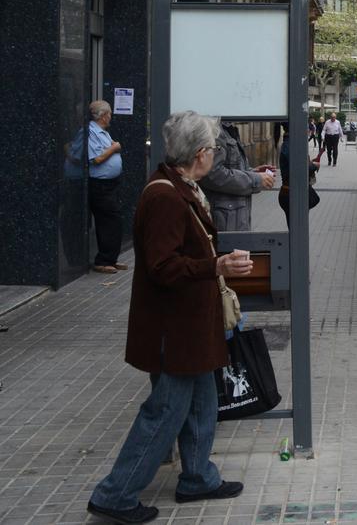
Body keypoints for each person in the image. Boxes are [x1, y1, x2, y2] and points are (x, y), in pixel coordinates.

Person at [87, 111, 253, 525]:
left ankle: (197, 477)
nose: (215, 154)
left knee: (202, 403)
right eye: (213, 149)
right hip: (172, 330)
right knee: (164, 412)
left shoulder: (180, 187)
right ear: (200, 154)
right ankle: (116, 494)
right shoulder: (164, 196)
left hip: (189, 327)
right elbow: (163, 267)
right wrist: (215, 266)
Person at [198, 120, 275, 232]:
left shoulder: (227, 129)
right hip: (224, 219)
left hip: (234, 216)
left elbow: (231, 167)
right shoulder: (215, 130)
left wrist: (253, 172)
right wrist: (255, 179)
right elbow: (213, 174)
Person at [87, 100, 126, 274]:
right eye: (109, 114)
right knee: (108, 222)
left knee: (114, 221)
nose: (111, 117)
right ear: (103, 116)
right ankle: (103, 260)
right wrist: (115, 148)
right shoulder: (91, 132)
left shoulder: (103, 132)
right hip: (100, 186)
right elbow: (96, 159)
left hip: (111, 184)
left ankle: (111, 258)